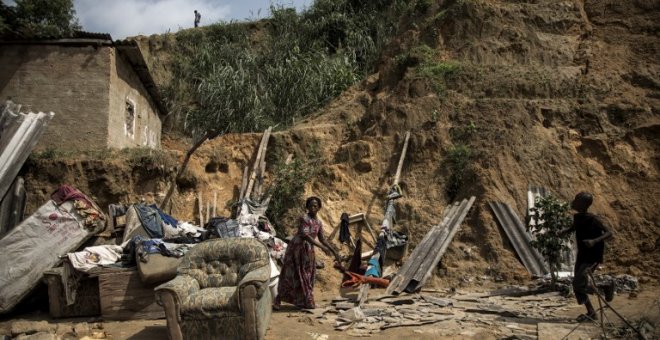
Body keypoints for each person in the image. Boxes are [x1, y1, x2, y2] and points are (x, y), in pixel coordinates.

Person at [274, 196, 340, 310]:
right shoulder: (304, 218)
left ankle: (304, 300)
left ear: (319, 208)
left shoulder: (318, 222)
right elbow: (305, 235)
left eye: (315, 206)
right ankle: (280, 299)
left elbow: (322, 238)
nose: (313, 208)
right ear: (307, 207)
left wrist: (334, 252)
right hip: (297, 249)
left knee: (307, 275)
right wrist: (321, 247)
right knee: (290, 274)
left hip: (308, 251)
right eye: (310, 206)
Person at [563, 192, 614, 322]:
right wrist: (565, 231)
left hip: (593, 256)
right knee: (577, 286)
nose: (573, 202)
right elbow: (575, 227)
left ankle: (605, 286)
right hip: (582, 255)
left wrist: (594, 241)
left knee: (578, 284)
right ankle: (591, 313)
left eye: (576, 200)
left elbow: (609, 233)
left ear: (583, 204)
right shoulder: (578, 217)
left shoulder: (593, 219)